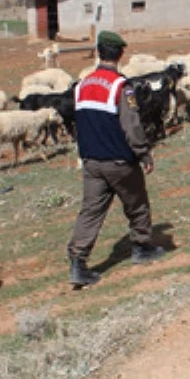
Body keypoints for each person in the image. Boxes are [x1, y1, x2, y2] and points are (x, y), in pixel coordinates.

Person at [66, 31, 165, 288]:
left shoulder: (82, 86)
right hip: (119, 160)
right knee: (137, 203)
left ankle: (78, 261)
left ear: (99, 52)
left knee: (90, 211)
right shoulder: (121, 86)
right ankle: (141, 247)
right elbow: (131, 126)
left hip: (91, 161)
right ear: (120, 54)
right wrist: (144, 153)